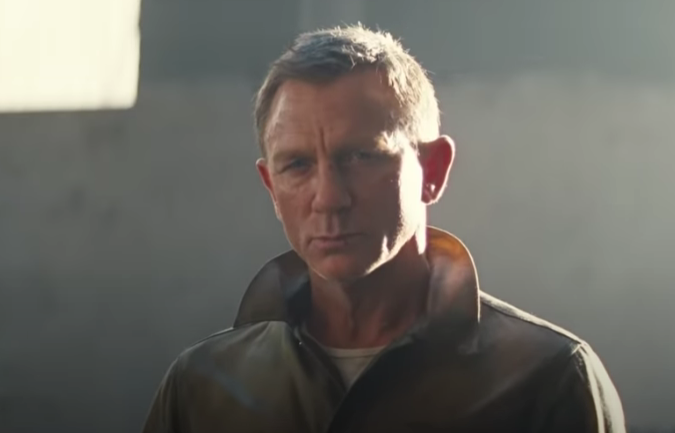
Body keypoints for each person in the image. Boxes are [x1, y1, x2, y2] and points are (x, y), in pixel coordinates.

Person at [142, 24, 626, 433]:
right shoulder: (201, 387)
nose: (329, 197)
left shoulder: (547, 380)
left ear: (432, 170)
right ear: (271, 186)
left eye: (360, 156)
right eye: (297, 165)